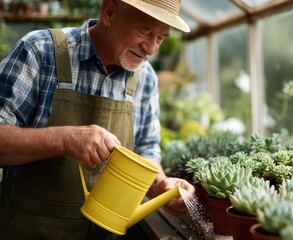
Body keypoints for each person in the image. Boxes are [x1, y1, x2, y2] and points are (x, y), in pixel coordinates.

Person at [0, 0, 195, 239]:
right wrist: (65, 139)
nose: (151, 48)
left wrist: (162, 186)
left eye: (161, 38)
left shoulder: (145, 78)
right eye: (145, 31)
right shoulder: (40, 51)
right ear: (109, 12)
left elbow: (146, 150)